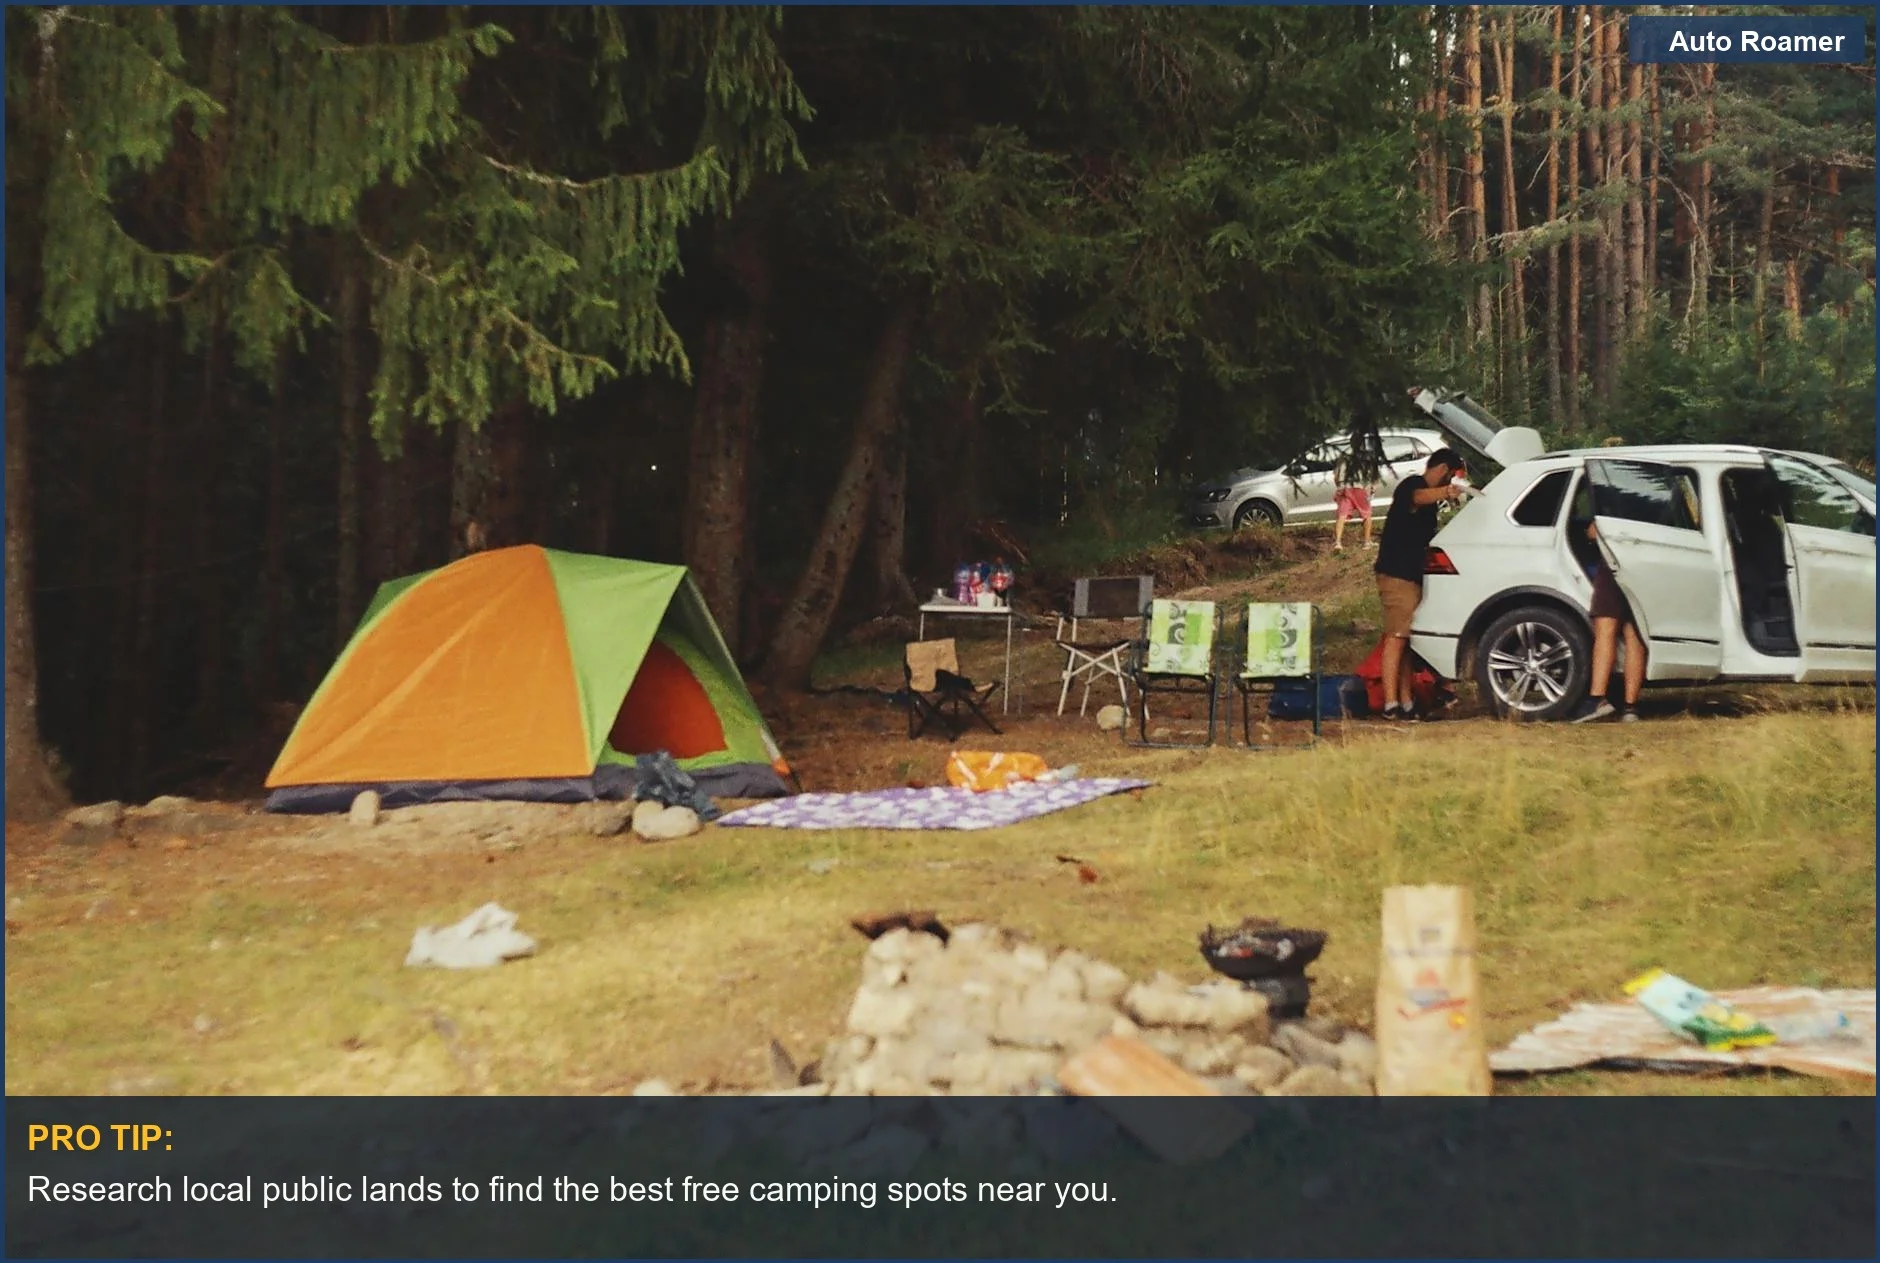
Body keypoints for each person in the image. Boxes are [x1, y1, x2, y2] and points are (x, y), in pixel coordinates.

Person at [1373, 447, 1466, 719]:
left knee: (1406, 640)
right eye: (1450, 477)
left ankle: (1406, 701)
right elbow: (1418, 497)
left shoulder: (1429, 505)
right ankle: (1391, 703)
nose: (1450, 484)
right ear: (1442, 470)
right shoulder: (1412, 486)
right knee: (1396, 636)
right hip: (1397, 574)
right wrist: (1447, 492)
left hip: (1413, 576)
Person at [1572, 517, 1645, 723]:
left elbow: (1593, 533)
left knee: (1605, 630)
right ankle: (1631, 707)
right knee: (1636, 634)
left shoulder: (1613, 500)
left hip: (1614, 564)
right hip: (1645, 565)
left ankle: (1596, 699)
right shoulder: (1654, 497)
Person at [1331, 449, 1375, 553]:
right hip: (1361, 488)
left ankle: (1338, 542)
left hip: (1346, 488)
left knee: (1342, 514)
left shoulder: (1344, 456)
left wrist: (1340, 488)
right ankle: (1367, 542)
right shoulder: (1366, 455)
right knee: (1366, 514)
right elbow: (1371, 474)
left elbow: (1336, 476)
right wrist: (1371, 488)